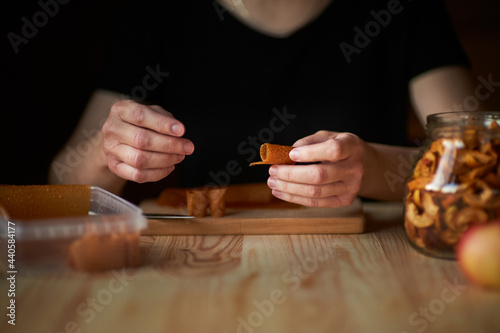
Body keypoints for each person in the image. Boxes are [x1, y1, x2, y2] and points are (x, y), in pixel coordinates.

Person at [49, 0, 477, 207]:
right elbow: (60, 187)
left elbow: (481, 167)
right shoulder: (157, 12)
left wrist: (374, 168)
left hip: (368, 268)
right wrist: (109, 154)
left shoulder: (402, 9)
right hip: (198, 273)